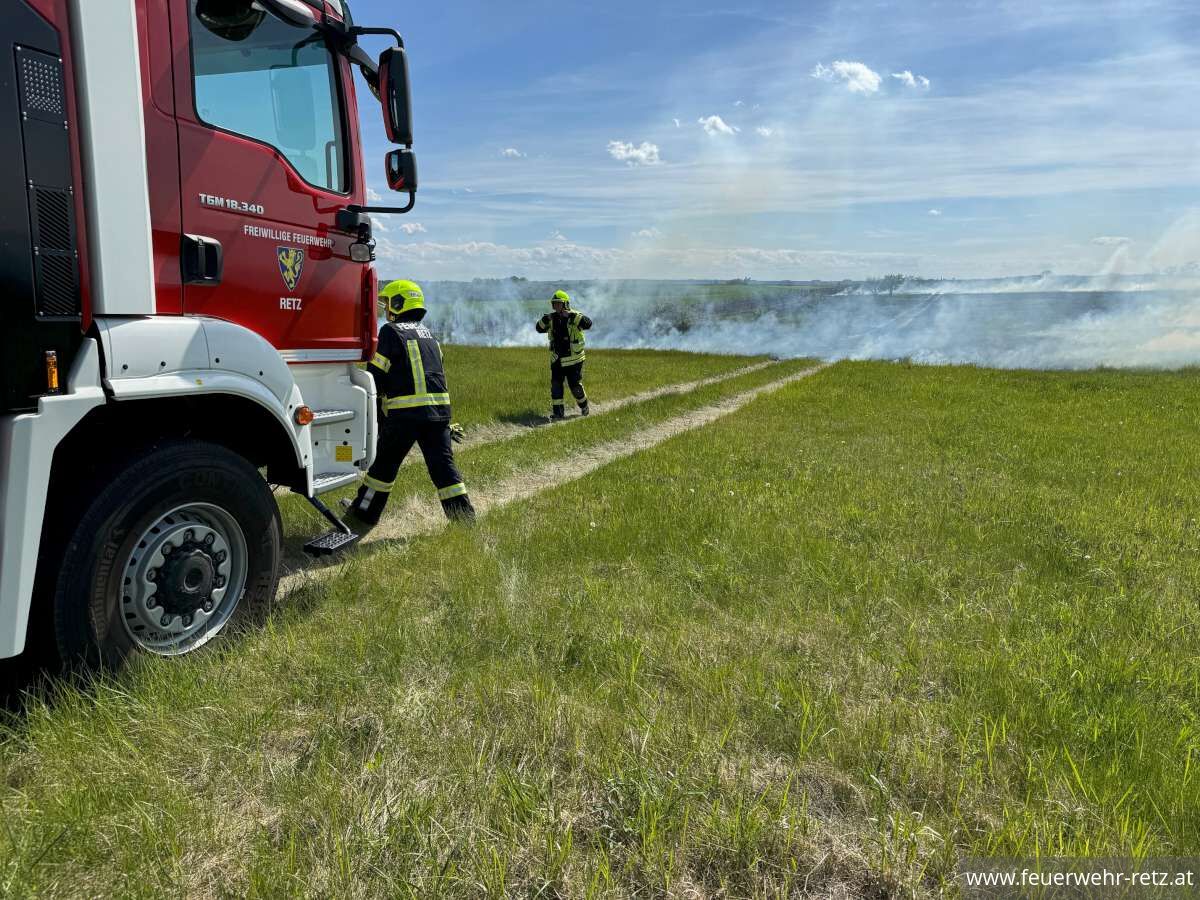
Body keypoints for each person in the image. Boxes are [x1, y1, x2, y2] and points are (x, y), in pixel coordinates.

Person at [346, 279, 476, 527]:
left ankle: (364, 513)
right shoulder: (431, 337)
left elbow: (376, 376)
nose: (385, 310)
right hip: (438, 415)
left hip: (405, 415)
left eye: (387, 303)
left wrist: (373, 408)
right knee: (444, 470)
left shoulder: (390, 332)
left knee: (382, 469)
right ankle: (464, 519)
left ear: (398, 303)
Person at [535, 289, 593, 419]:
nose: (556, 306)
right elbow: (538, 329)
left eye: (559, 303)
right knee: (556, 385)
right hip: (557, 359)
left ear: (565, 304)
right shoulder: (552, 318)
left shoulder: (574, 316)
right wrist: (545, 319)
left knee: (575, 386)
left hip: (574, 359)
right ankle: (558, 413)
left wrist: (571, 316)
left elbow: (588, 324)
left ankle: (584, 406)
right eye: (554, 304)